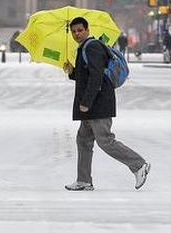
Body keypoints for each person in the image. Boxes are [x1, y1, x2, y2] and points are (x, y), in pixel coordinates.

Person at [62, 17, 150, 191]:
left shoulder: (92, 47)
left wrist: (86, 102)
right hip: (93, 105)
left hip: (98, 104)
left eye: (80, 30)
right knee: (84, 141)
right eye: (73, 31)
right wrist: (72, 72)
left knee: (105, 141)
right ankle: (84, 180)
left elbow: (96, 78)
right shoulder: (85, 48)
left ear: (87, 29)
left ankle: (138, 164)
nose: (76, 34)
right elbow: (88, 76)